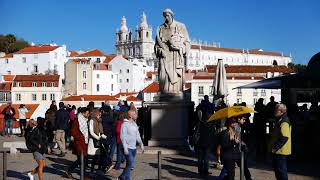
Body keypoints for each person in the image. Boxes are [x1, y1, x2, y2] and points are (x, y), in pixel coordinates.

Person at [155, 8, 190, 94]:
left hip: (176, 56)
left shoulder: (181, 26)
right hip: (164, 56)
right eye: (165, 16)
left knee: (176, 79)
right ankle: (164, 92)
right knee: (163, 76)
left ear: (171, 15)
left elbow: (187, 42)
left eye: (168, 15)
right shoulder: (160, 28)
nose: (166, 18)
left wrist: (180, 48)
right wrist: (159, 51)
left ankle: (176, 92)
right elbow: (156, 45)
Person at [63, 107, 90, 179]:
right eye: (87, 113)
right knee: (82, 160)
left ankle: (70, 171)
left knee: (82, 160)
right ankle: (82, 176)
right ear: (83, 113)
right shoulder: (77, 121)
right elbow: (73, 132)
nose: (88, 115)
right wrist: (81, 137)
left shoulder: (85, 120)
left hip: (84, 142)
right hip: (79, 143)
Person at [118, 110, 144, 180]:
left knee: (128, 164)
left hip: (133, 148)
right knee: (131, 164)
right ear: (130, 115)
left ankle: (125, 178)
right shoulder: (125, 124)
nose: (136, 115)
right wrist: (125, 147)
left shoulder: (134, 124)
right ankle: (123, 176)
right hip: (127, 147)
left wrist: (141, 143)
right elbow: (122, 136)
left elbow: (137, 135)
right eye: (135, 114)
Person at [269, 104, 291, 180]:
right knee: (278, 170)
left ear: (281, 111)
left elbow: (285, 137)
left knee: (281, 171)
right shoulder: (280, 119)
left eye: (276, 110)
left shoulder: (284, 121)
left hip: (281, 151)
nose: (274, 111)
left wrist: (276, 148)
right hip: (279, 150)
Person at [88, 108, 107, 173]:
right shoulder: (92, 120)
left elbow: (100, 132)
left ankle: (98, 170)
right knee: (95, 157)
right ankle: (92, 170)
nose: (100, 115)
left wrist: (105, 137)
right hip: (94, 141)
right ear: (96, 114)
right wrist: (98, 137)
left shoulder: (99, 121)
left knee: (99, 156)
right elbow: (91, 132)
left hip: (99, 140)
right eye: (99, 114)